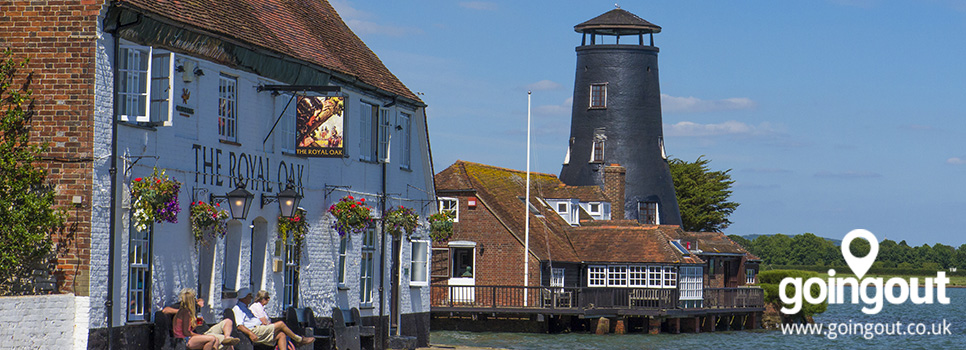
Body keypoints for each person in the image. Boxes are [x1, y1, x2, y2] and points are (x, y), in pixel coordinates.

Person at [233, 288, 315, 348]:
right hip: (254, 330)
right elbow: (239, 326)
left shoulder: (246, 308)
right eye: (249, 296)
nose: (251, 298)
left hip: (259, 328)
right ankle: (299, 340)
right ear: (244, 297)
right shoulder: (238, 308)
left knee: (281, 334)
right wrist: (251, 334)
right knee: (281, 324)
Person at [164, 288, 240, 350]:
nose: (195, 301)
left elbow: (188, 328)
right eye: (194, 299)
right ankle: (226, 339)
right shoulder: (185, 312)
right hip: (185, 339)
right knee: (214, 339)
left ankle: (227, 338)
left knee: (226, 324)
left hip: (195, 334)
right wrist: (198, 335)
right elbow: (186, 332)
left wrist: (196, 323)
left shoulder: (189, 311)